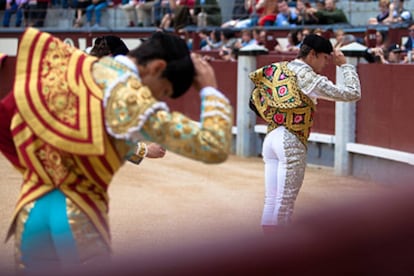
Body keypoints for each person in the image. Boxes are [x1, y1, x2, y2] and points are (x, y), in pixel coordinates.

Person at [0, 28, 233, 274]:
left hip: (32, 211)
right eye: (163, 91)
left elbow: (6, 120)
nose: (158, 98)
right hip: (77, 216)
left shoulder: (76, 65)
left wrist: (42, 169)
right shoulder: (133, 99)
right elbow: (213, 145)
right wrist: (210, 90)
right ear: (156, 68)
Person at [248, 34, 361, 233]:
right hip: (290, 141)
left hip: (271, 137)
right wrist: (345, 65)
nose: (327, 63)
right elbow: (352, 93)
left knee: (272, 200)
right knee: (284, 206)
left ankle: (267, 251)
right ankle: (279, 255)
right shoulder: (309, 78)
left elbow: (256, 97)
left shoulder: (280, 68)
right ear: (312, 54)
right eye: (326, 58)